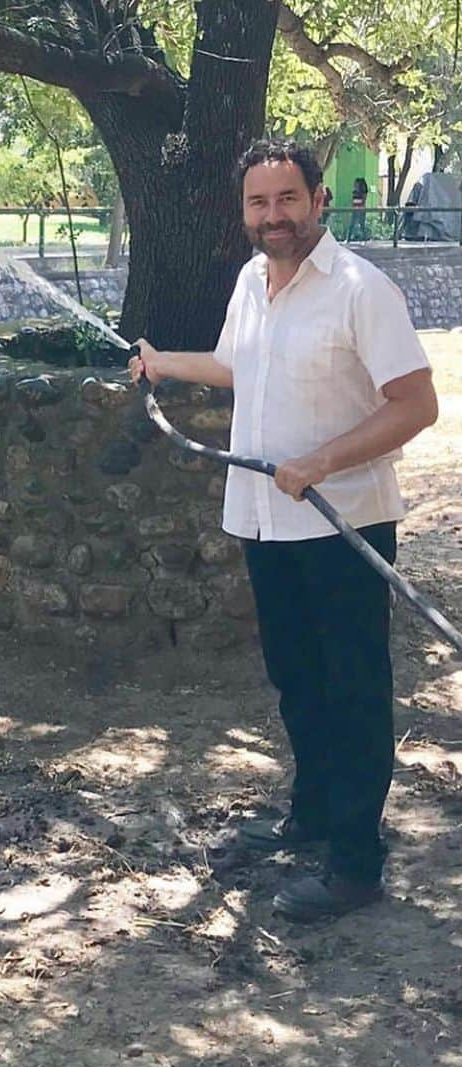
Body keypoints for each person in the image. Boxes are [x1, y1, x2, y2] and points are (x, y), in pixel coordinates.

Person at [130, 139, 438, 922]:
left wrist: (323, 459)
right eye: (259, 204)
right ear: (245, 213)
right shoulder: (249, 281)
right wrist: (166, 363)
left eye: (288, 200)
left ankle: (356, 865)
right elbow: (243, 367)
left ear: (318, 200)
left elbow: (415, 405)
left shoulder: (363, 291)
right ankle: (311, 816)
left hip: (344, 526)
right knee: (296, 680)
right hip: (263, 521)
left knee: (354, 692)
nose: (274, 217)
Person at [346, 176, 370, 241]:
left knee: (361, 224)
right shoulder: (355, 191)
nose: (355, 184)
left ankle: (364, 238)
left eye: (356, 183)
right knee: (352, 224)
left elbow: (363, 200)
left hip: (361, 209)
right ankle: (348, 238)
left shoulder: (363, 192)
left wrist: (356, 202)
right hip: (354, 209)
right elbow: (353, 200)